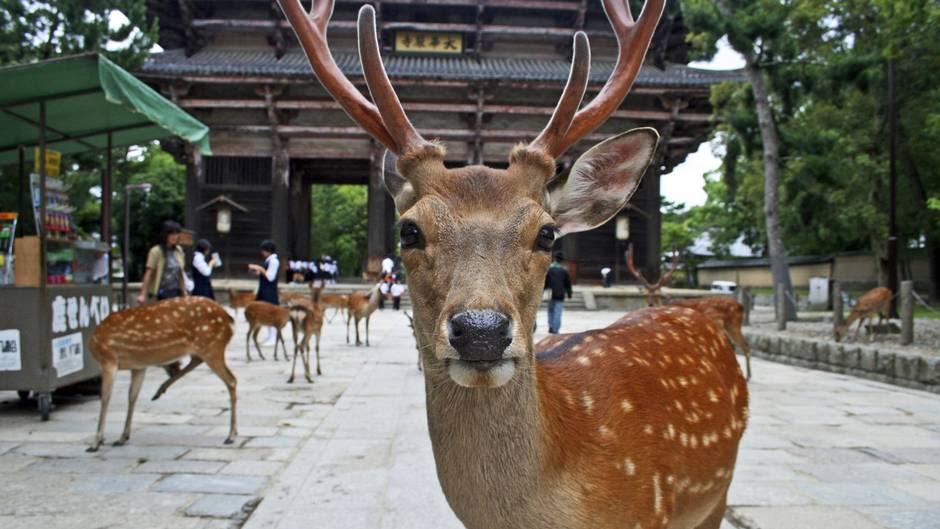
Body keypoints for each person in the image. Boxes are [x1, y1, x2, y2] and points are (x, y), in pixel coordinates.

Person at [138, 220, 187, 305]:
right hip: (161, 292)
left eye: (176, 234)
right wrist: (142, 294)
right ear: (165, 235)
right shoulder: (156, 251)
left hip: (176, 292)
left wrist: (184, 292)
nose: (175, 237)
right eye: (172, 234)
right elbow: (148, 273)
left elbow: (181, 273)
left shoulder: (179, 251)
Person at [544, 251, 572, 334]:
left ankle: (551, 326)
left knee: (550, 310)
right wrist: (569, 294)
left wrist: (544, 290)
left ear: (555, 258)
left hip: (550, 293)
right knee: (558, 312)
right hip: (560, 294)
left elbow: (545, 281)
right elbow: (568, 283)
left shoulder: (549, 269)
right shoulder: (564, 271)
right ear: (562, 260)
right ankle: (555, 329)